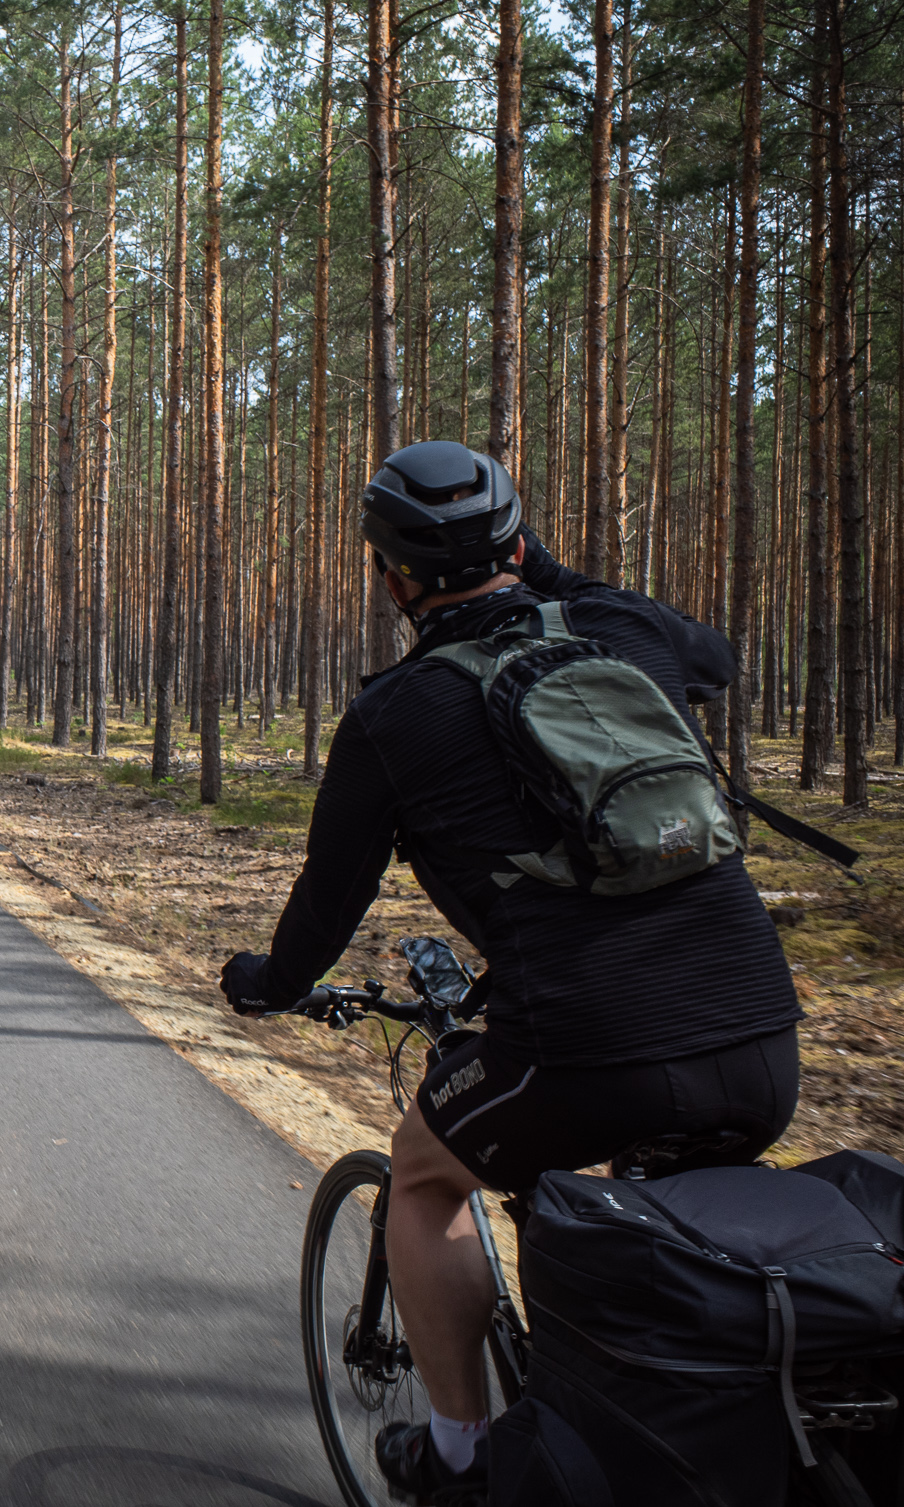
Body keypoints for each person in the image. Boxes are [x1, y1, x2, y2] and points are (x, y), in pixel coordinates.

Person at [219, 440, 801, 1504]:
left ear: (388, 575)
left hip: (584, 1055)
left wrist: (265, 980)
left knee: (427, 1170)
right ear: (521, 544)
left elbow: (321, 912)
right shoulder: (625, 635)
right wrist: (541, 569)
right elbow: (711, 656)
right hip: (764, 1042)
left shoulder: (391, 715)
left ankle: (454, 1459)